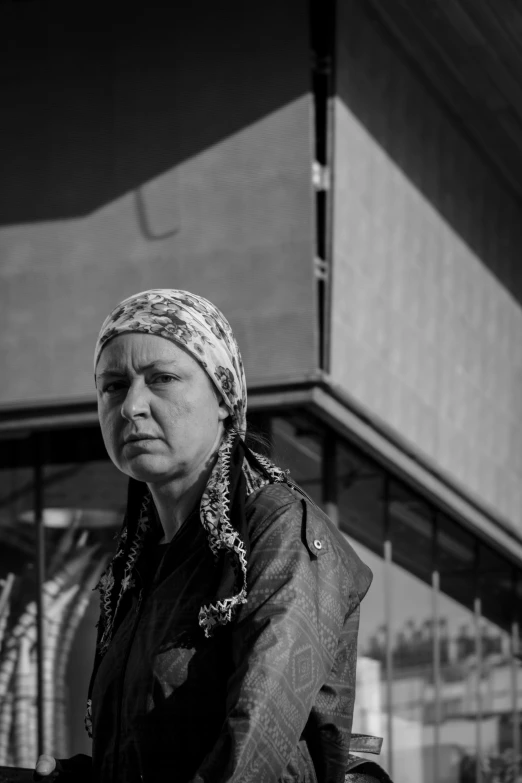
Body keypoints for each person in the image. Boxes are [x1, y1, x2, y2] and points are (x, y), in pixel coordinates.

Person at [34, 289, 377, 783]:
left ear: (223, 397)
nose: (132, 405)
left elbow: (252, 755)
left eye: (163, 379)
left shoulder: (281, 534)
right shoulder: (137, 566)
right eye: (113, 385)